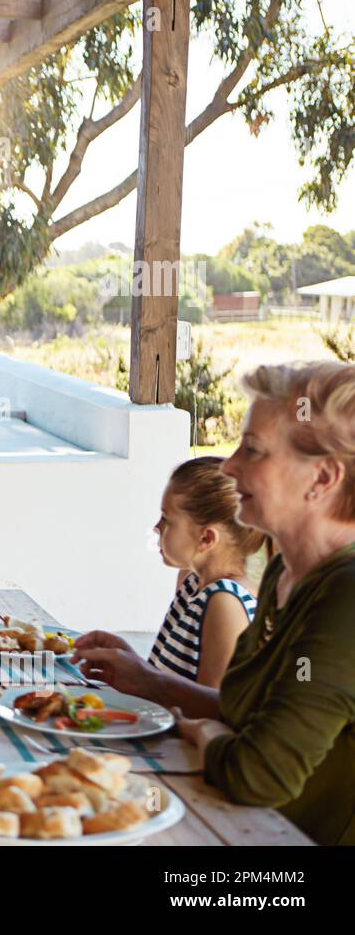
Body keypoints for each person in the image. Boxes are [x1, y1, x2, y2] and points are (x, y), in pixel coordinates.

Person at [76, 362, 355, 846]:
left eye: (253, 450)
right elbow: (244, 713)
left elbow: (257, 774)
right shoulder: (284, 573)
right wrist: (151, 682)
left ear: (323, 477)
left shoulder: (345, 596)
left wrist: (202, 734)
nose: (229, 466)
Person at [74, 457, 262, 692]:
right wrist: (132, 662)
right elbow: (173, 682)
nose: (156, 527)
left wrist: (142, 675)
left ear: (206, 538)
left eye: (167, 519)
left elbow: (214, 709)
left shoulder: (226, 603)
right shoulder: (192, 582)